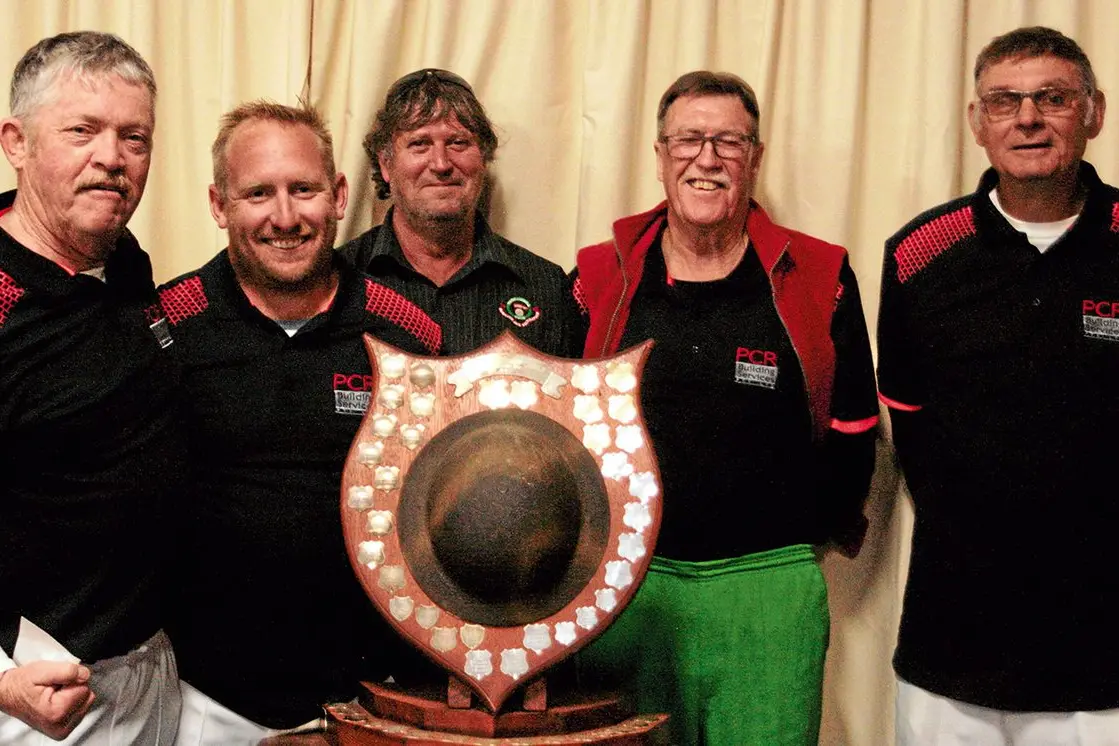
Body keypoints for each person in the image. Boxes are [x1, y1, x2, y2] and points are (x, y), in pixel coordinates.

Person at [571, 71, 878, 746]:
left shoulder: (821, 276)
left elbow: (854, 429)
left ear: (755, 159)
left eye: (727, 142)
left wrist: (804, 543)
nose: (705, 158)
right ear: (659, 155)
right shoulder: (598, 277)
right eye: (688, 140)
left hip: (767, 589)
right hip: (625, 589)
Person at [158, 101, 435, 743]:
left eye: (303, 189)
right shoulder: (166, 328)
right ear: (219, 205)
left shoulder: (408, 335)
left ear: (338, 196)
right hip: (206, 700)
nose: (285, 217)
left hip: (370, 701)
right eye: (258, 193)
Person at [878, 26, 1119, 745]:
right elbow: (910, 426)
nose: (1027, 119)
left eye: (1052, 98)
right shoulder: (918, 255)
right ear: (976, 121)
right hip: (952, 645)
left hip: (1104, 654)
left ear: (1093, 112)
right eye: (1004, 101)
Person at [0, 31, 183, 744]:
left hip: (147, 670)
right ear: (16, 141)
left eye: (133, 137)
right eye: (82, 131)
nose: (112, 158)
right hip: (36, 692)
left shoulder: (124, 265)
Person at [340, 68, 575, 357]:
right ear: (386, 165)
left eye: (457, 142)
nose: (441, 163)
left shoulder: (546, 287)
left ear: (483, 159)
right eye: (419, 144)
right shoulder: (337, 280)